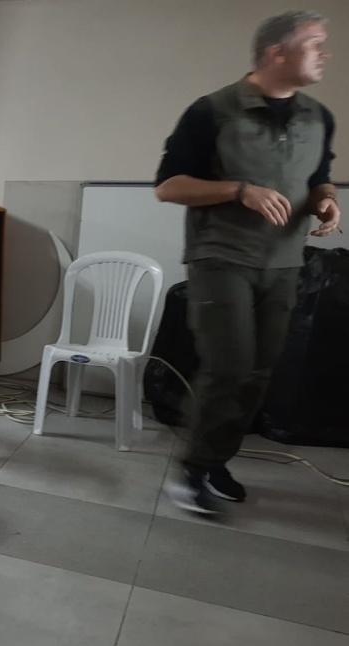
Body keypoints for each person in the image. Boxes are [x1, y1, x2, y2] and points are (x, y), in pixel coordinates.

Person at [155, 11, 338, 515]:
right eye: (315, 44)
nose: (325, 53)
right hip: (221, 258)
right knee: (228, 366)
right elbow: (169, 186)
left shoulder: (318, 117)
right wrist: (240, 191)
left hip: (283, 262)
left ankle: (214, 460)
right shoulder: (212, 111)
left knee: (258, 373)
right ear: (278, 53)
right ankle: (192, 471)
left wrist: (326, 200)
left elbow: (321, 175)